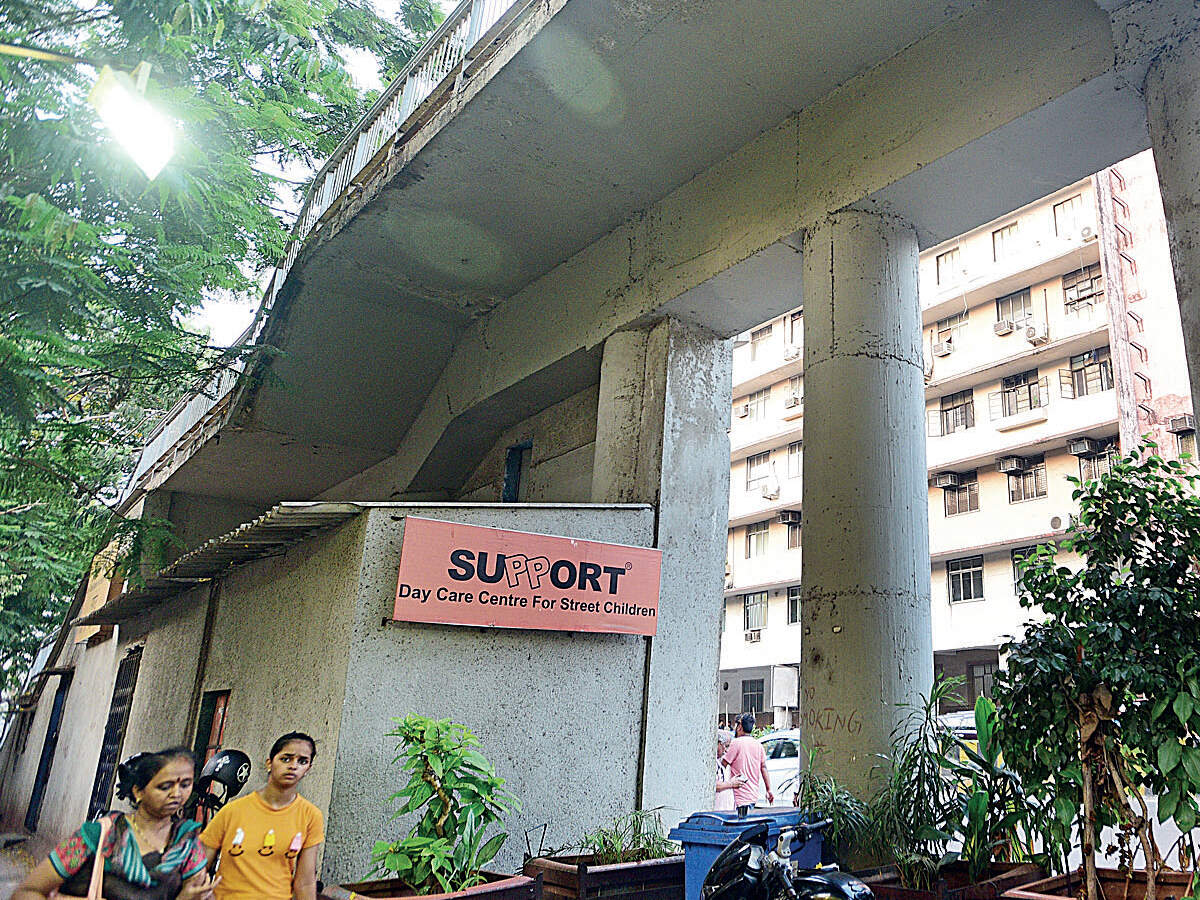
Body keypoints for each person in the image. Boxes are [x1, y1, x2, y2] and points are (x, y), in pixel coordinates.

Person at [13, 747, 218, 900]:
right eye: (165, 787)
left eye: (185, 784)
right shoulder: (98, 837)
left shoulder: (187, 845)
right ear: (138, 792)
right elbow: (26, 893)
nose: (177, 794)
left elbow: (198, 893)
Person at [200, 732, 324, 900]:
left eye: (302, 761)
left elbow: (305, 882)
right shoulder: (233, 811)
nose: (293, 766)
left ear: (308, 769)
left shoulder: (310, 816)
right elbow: (198, 867)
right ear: (269, 763)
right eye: (286, 759)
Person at [723, 713, 773, 815]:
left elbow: (724, 764)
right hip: (752, 796)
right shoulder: (758, 745)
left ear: (740, 727)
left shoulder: (736, 743)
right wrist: (769, 790)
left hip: (738, 798)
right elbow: (763, 768)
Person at [714, 729, 746, 811]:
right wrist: (731, 784)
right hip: (717, 811)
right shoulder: (711, 764)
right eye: (725, 745)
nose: (726, 750)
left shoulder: (723, 762)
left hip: (727, 809)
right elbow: (714, 785)